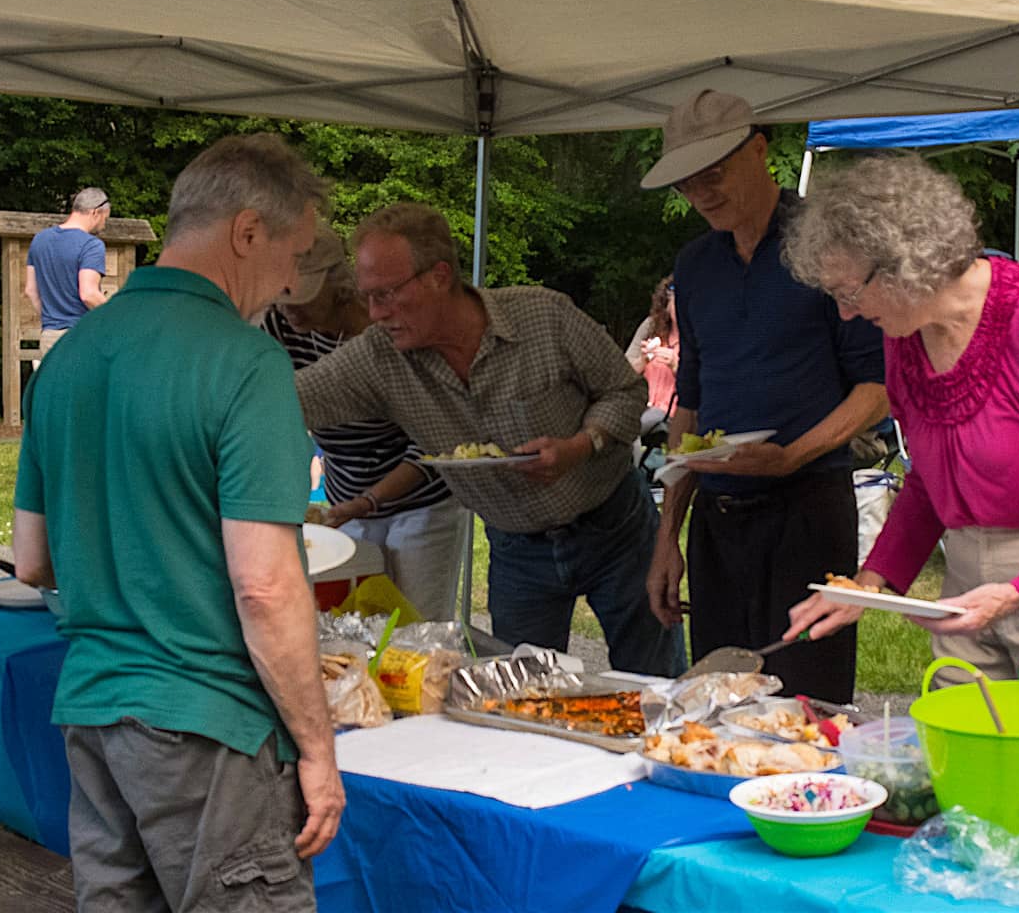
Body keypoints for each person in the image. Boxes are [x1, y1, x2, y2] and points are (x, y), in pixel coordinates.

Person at [13, 134, 344, 909]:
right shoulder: (246, 362)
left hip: (94, 714)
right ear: (247, 231)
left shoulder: (66, 358)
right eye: (294, 253)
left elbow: (32, 560)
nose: (295, 281)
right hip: (208, 724)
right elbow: (265, 587)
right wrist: (318, 752)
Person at [781, 154, 1019, 763]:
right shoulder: (904, 337)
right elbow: (933, 484)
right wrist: (868, 585)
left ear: (905, 261)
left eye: (848, 292)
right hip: (971, 577)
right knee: (963, 756)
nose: (846, 313)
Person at [293, 202, 685, 678]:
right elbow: (291, 399)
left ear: (439, 276)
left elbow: (626, 390)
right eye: (367, 296)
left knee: (655, 682)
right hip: (517, 551)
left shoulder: (543, 316)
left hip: (615, 528)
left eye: (388, 295)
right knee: (525, 701)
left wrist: (581, 444)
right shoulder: (381, 356)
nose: (374, 314)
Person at [640, 90, 887, 703]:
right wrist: (667, 535)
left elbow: (879, 389)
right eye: (686, 184)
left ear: (759, 150)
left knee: (806, 704)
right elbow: (689, 405)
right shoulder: (694, 264)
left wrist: (791, 456)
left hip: (807, 509)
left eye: (714, 174)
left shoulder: (830, 241)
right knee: (718, 702)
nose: (701, 194)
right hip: (717, 521)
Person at [260, 221, 465, 620]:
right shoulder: (280, 324)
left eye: (301, 297)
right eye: (281, 297)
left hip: (420, 500)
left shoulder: (394, 330)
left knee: (417, 626)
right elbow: (271, 407)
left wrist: (370, 500)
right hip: (344, 495)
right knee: (356, 619)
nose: (288, 308)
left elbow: (433, 439)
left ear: (337, 285)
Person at [25, 186, 110, 359]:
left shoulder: (40, 240)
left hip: (49, 337)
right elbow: (88, 294)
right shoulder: (91, 245)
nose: (103, 225)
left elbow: (30, 291)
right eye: (104, 220)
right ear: (95, 212)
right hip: (81, 337)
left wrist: (52, 320)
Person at [624, 276, 679, 416]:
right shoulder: (651, 327)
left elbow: (707, 387)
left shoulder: (703, 337)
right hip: (644, 408)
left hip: (676, 417)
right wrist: (643, 360)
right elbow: (623, 375)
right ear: (667, 305)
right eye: (677, 302)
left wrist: (676, 366)